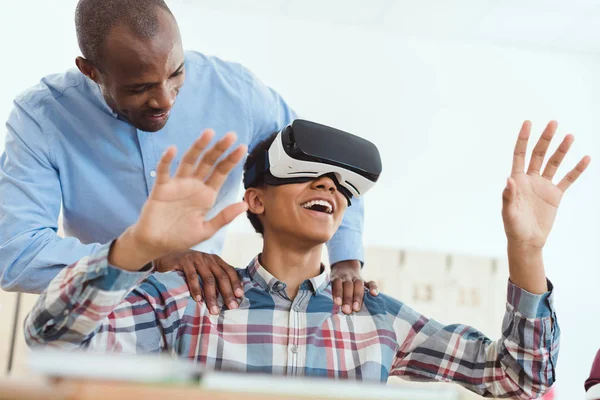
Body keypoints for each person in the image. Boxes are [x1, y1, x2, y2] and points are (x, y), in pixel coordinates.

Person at [25, 119, 591, 399]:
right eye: (306, 174)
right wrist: (137, 251)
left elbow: (522, 382)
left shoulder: (378, 320)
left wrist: (527, 250)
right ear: (255, 200)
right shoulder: (184, 300)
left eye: (342, 186)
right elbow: (52, 341)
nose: (330, 186)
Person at [0, 0, 372, 314]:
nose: (165, 99)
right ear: (91, 71)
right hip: (103, 315)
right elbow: (17, 257)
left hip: (201, 312)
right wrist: (148, 257)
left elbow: (325, 167)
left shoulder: (236, 93)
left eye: (176, 73)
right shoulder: (42, 118)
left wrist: (345, 262)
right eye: (139, 88)